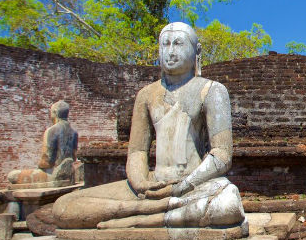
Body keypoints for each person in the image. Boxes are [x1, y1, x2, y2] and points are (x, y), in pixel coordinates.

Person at [52, 22, 244, 229]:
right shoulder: (146, 95)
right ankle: (146, 212)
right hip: (154, 183)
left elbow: (222, 155)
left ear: (196, 51)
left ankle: (141, 218)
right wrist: (141, 183)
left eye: (178, 44)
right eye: (165, 44)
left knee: (228, 205)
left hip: (192, 184)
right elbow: (136, 151)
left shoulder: (212, 90)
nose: (170, 52)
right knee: (64, 206)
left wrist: (181, 186)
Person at [7, 100, 78, 185]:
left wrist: (39, 167)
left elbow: (47, 160)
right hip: (69, 173)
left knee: (12, 175)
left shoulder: (52, 130)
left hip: (54, 173)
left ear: (55, 112)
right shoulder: (74, 132)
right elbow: (73, 157)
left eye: (51, 113)